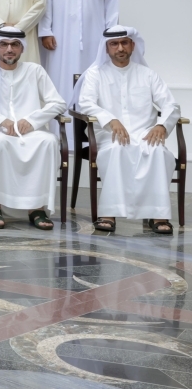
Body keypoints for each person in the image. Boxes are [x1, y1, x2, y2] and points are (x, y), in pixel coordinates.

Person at [76, 26, 180, 235]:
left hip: (144, 133)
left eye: (124, 43)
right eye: (114, 44)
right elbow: (86, 103)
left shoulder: (148, 74)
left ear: (133, 45)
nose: (120, 48)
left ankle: (158, 215)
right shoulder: (95, 74)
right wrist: (111, 120)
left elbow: (171, 105)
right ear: (106, 48)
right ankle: (109, 214)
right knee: (117, 149)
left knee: (157, 152)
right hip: (109, 134)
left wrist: (161, 125)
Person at [0, 26, 67, 230]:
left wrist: (32, 120)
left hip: (31, 132)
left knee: (48, 141)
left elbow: (58, 103)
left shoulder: (35, 70)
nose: (9, 49)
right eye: (4, 44)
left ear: (22, 48)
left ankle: (37, 208)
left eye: (15, 45)